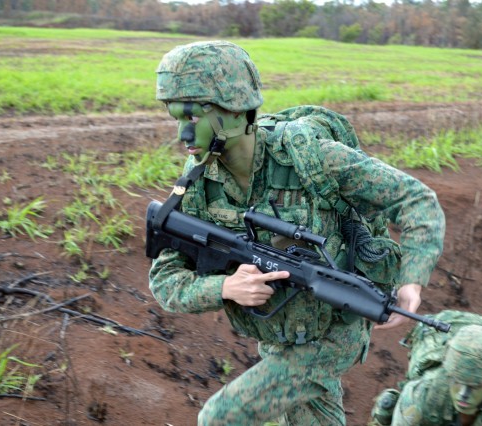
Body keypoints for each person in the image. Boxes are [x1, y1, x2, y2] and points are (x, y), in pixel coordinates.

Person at [148, 40, 445, 425]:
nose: (182, 134)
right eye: (175, 118)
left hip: (337, 328)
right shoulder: (199, 189)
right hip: (280, 338)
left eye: (192, 118)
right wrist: (224, 288)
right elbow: (165, 280)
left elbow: (416, 199)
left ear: (235, 113)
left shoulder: (311, 159)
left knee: (221, 418)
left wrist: (411, 282)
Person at [370, 324, 482, 426]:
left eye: (474, 386)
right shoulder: (422, 396)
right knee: (388, 404)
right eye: (457, 381)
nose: (463, 394)